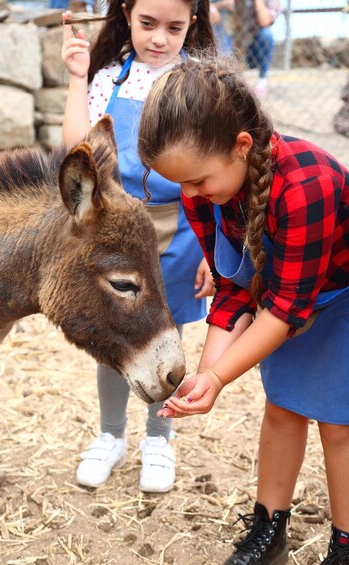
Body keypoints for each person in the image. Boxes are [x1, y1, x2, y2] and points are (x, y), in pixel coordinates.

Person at [137, 56, 349, 564]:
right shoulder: (206, 191)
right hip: (285, 300)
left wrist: (220, 378)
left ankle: (345, 542)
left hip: (338, 298)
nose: (190, 196)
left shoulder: (307, 185)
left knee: (339, 427)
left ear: (242, 146)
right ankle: (268, 530)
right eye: (181, 184)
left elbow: (285, 309)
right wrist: (206, 374)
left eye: (197, 181)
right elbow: (235, 289)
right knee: (282, 411)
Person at [61, 0, 216, 493]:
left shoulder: (200, 83)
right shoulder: (110, 79)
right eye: (147, 24)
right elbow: (77, 150)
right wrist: (76, 77)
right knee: (116, 340)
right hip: (120, 238)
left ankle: (157, 438)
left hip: (183, 232)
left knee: (165, 340)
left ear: (193, 21)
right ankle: (111, 436)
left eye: (174, 27)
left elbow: (214, 173)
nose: (159, 39)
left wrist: (217, 254)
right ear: (126, 13)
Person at [234, 0, 281, 96]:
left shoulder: (273, 2)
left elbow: (264, 22)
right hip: (239, 37)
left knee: (266, 34)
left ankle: (262, 79)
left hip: (256, 44)